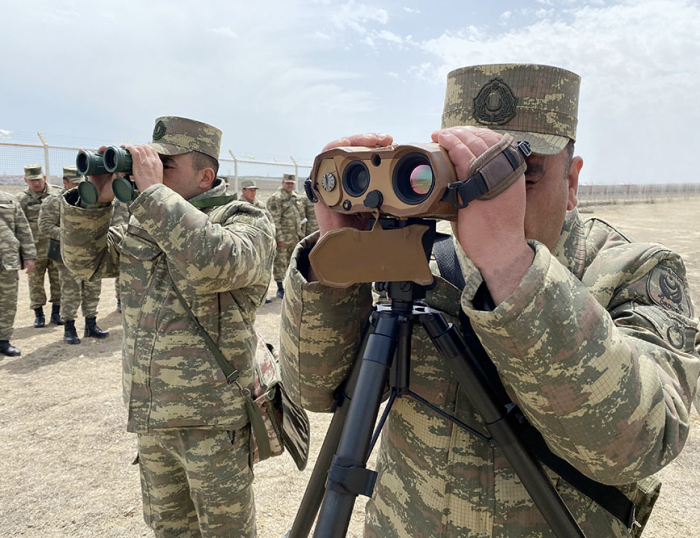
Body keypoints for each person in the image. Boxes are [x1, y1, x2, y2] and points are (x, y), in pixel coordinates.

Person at [279, 64, 700, 537]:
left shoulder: (636, 271)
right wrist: (336, 264)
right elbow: (313, 393)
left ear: (573, 181)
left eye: (524, 177)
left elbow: (635, 446)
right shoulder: (417, 263)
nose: (494, 201)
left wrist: (509, 264)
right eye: (471, 177)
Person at [60, 116, 275, 537]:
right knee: (170, 530)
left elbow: (216, 260)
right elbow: (85, 264)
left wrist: (152, 194)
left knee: (224, 531)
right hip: (152, 413)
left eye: (165, 164)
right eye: (147, 163)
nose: (149, 172)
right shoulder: (148, 219)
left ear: (205, 175)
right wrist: (94, 202)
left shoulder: (245, 219)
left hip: (213, 419)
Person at [38, 166, 108, 344]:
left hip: (92, 254)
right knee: (71, 292)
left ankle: (91, 325)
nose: (77, 186)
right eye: (74, 183)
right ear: (65, 182)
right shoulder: (54, 201)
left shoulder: (91, 199)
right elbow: (45, 226)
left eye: (80, 183)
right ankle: (69, 328)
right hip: (68, 255)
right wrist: (72, 237)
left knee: (93, 290)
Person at [17, 164, 63, 327]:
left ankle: (57, 313)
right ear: (26, 181)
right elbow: (20, 226)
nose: (36, 183)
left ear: (43, 178)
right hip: (34, 249)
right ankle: (39, 314)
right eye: (31, 181)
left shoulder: (58, 193)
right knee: (35, 283)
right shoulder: (21, 200)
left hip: (56, 247)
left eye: (38, 180)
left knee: (58, 281)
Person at [0, 189, 37, 356]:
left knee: (7, 302)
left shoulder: (9, 199)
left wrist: (29, 255)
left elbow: (23, 228)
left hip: (7, 260)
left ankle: (3, 340)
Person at [266, 173, 305, 298]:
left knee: (293, 263)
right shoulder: (276, 198)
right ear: (282, 183)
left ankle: (291, 287)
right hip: (283, 238)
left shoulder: (296, 197)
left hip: (296, 237)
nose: (289, 185)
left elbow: (302, 217)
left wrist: (302, 235)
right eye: (287, 182)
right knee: (280, 263)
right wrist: (279, 238)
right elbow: (274, 220)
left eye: (292, 183)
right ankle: (280, 288)